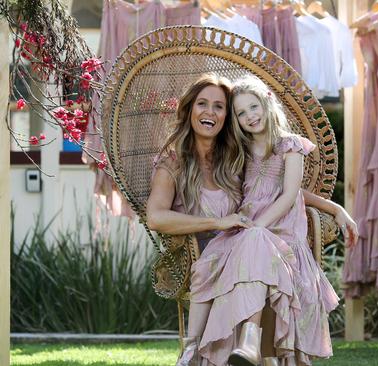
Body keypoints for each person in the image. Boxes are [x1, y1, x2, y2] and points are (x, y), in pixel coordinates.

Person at [146, 74, 357, 366]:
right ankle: (199, 349)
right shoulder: (176, 161)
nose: (211, 112)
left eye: (219, 106)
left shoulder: (231, 155)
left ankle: (249, 344)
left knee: (259, 249)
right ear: (189, 109)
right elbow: (155, 217)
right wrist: (220, 224)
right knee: (255, 248)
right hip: (221, 245)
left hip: (255, 238)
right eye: (203, 104)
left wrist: (333, 207)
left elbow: (283, 190)